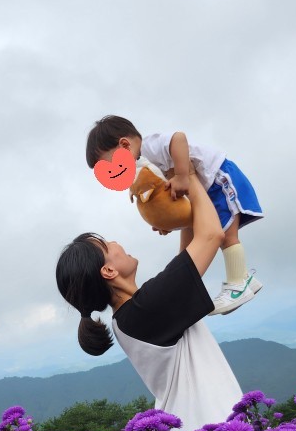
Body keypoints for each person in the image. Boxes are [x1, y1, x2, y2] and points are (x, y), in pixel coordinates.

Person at [56, 172, 242, 431]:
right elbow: (211, 234)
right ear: (108, 271)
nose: (116, 243)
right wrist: (187, 174)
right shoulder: (146, 309)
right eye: (108, 245)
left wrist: (176, 213)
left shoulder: (131, 316)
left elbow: (186, 258)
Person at [85, 115, 263, 315]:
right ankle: (188, 286)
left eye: (110, 166)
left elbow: (178, 138)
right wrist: (168, 221)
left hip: (217, 177)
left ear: (124, 145)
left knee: (227, 235)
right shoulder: (141, 165)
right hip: (204, 191)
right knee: (190, 242)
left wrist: (181, 175)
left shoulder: (150, 146)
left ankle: (239, 281)